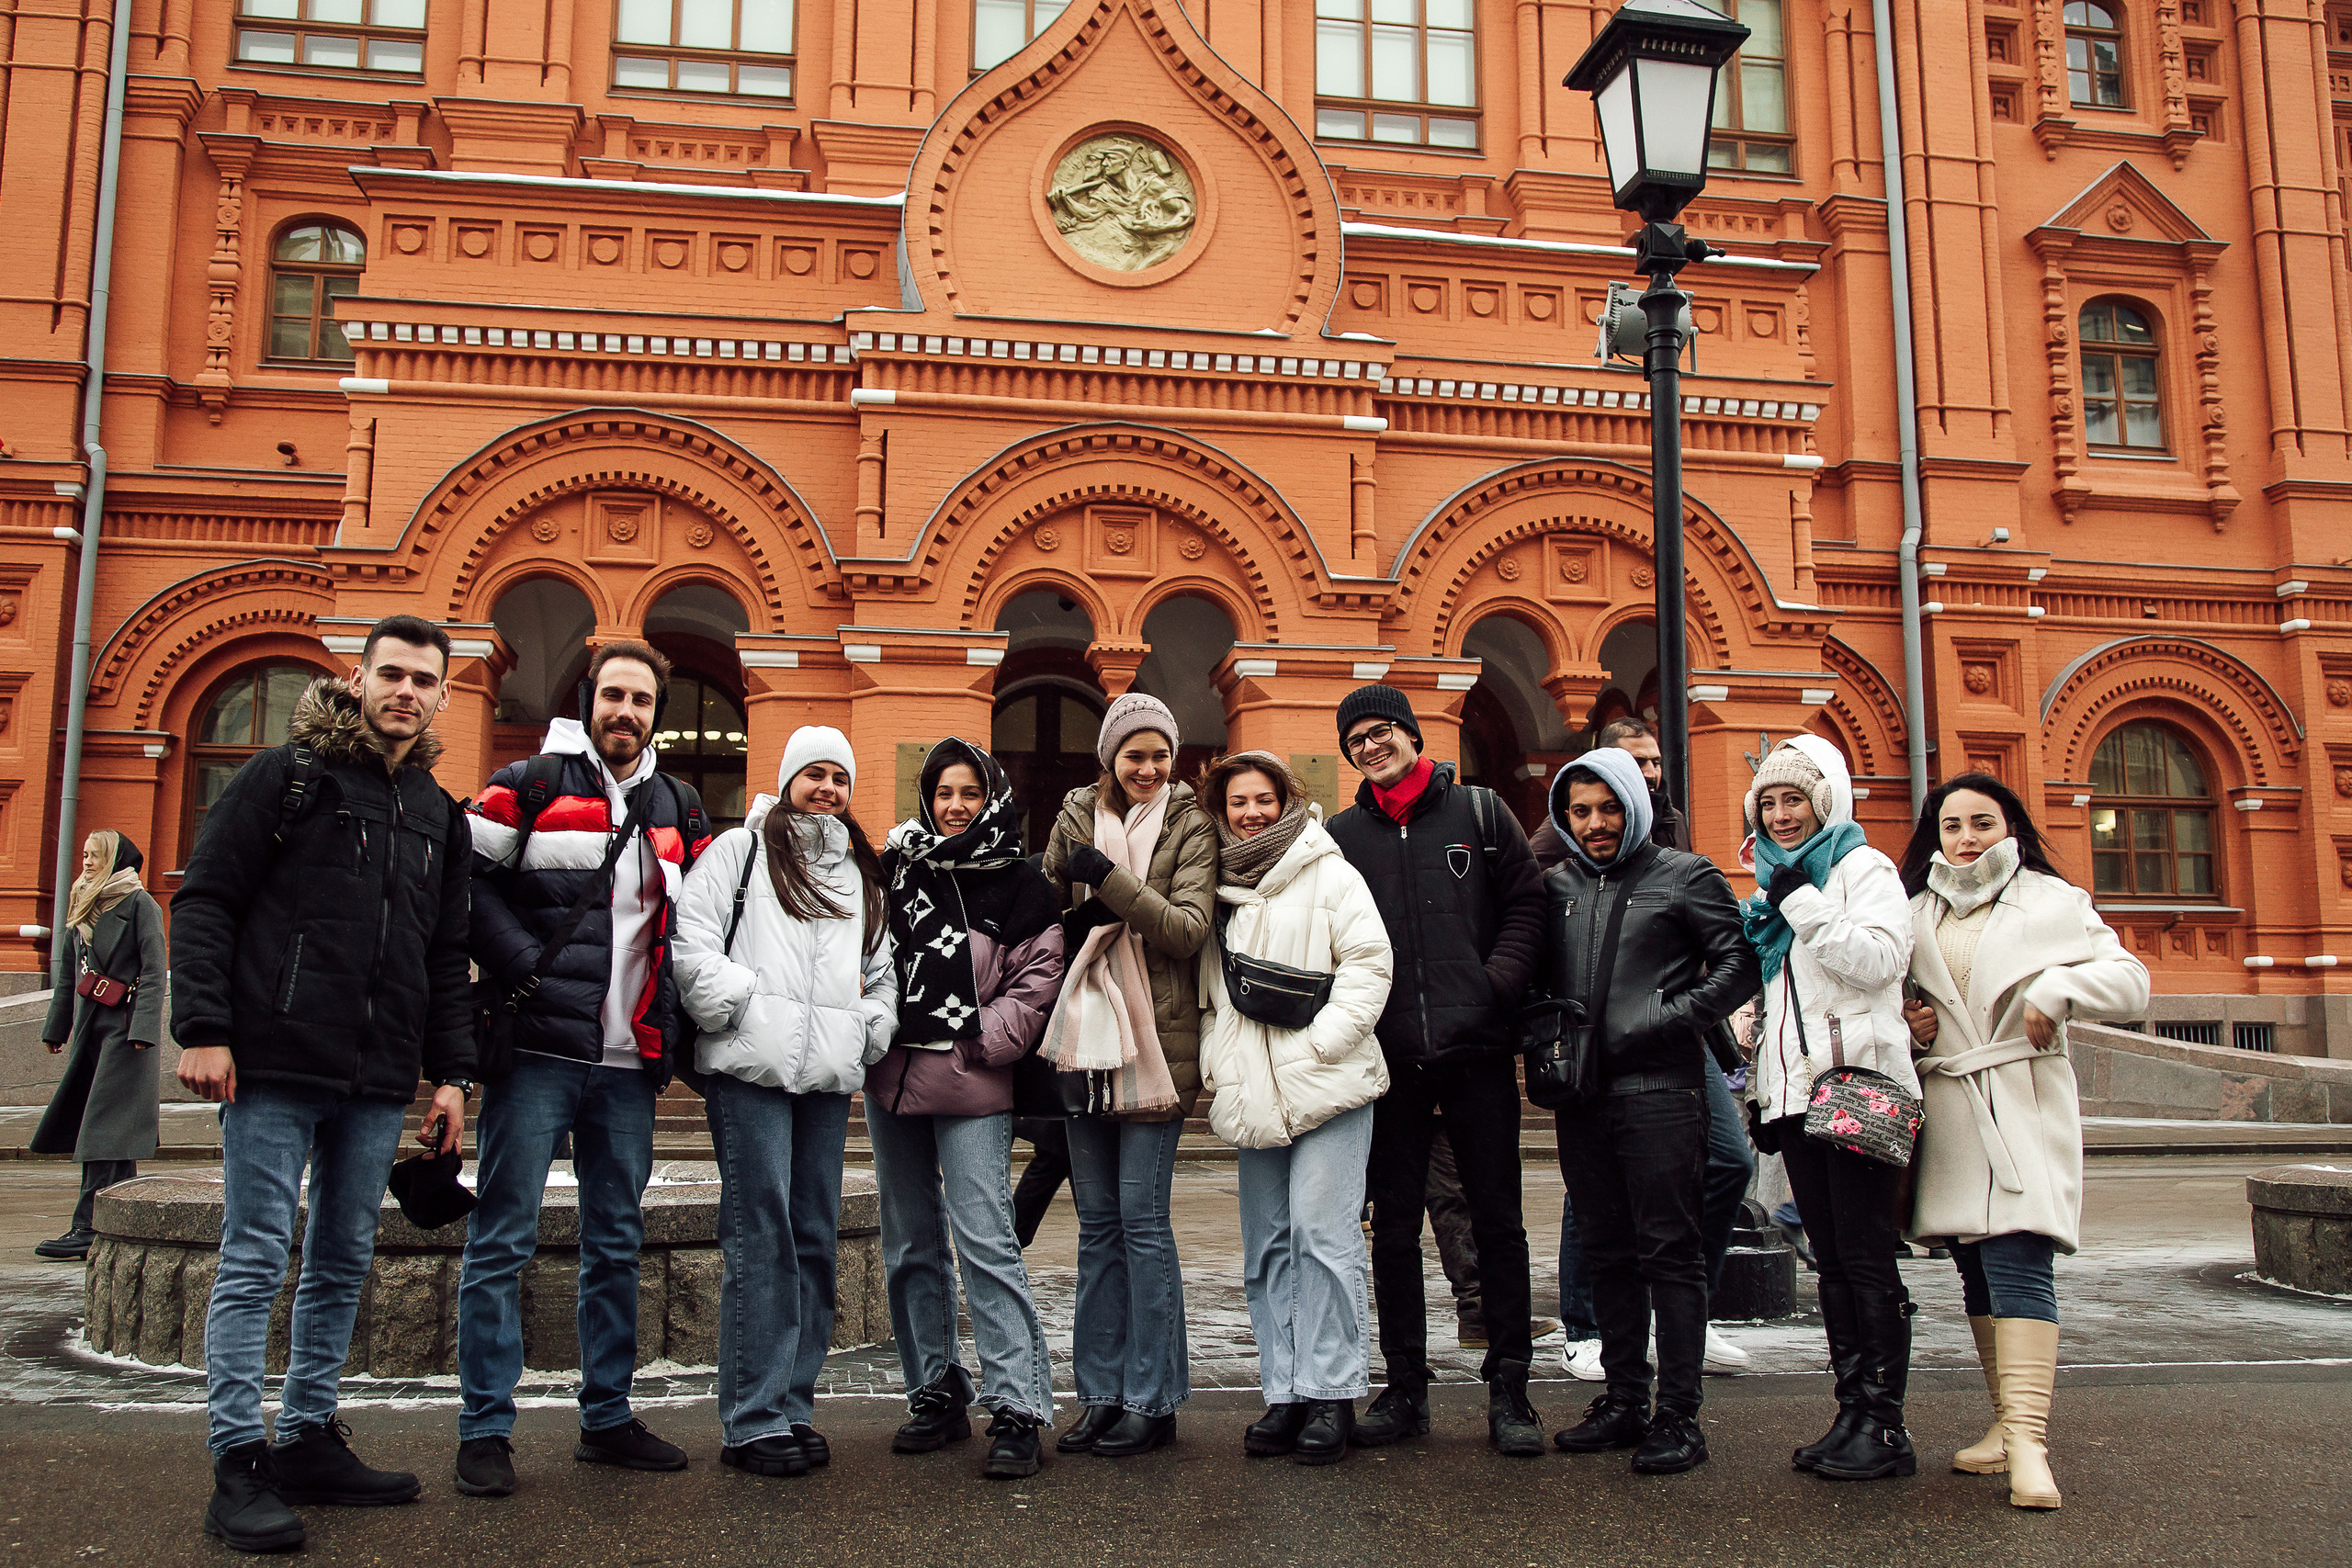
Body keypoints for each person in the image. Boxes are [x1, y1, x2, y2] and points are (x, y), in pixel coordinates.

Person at [170, 615, 473, 1553]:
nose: (406, 692)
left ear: (442, 694)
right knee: (259, 1255)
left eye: (424, 679)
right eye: (392, 674)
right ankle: (238, 1460)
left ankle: (305, 1435)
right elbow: (207, 898)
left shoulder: (435, 810)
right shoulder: (288, 776)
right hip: (272, 1063)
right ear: (360, 676)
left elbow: (444, 953)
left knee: (342, 1260)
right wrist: (207, 1029)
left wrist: (452, 1076)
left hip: (377, 1076)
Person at [455, 640, 712, 1496]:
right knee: (502, 1239)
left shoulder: (680, 805)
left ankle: (606, 1415)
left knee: (615, 1242)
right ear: (588, 698)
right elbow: (464, 883)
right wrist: (524, 959)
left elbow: (701, 924)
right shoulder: (528, 782)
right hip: (537, 1052)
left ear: (656, 713)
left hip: (629, 1061)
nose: (625, 712)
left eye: (641, 699)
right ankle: (485, 1428)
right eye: (613, 695)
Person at [1898, 773, 2147, 1512]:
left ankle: (2032, 1442)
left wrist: (2058, 990)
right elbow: (1897, 997)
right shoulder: (1913, 912)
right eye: (1952, 825)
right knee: (1976, 1270)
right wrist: (1911, 1030)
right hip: (1948, 1104)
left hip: (2019, 1099)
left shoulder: (2052, 901)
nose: (1967, 837)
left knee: (2019, 1261)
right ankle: (2006, 1425)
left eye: (1982, 821)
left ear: (2010, 828)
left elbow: (2131, 980)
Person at [1325, 683, 1548, 1457]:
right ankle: (1405, 1387)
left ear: (1413, 734)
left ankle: (1510, 1388)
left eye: (1382, 731)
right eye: (1357, 739)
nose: (1370, 746)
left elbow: (1527, 904)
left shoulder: (1480, 813)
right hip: (1389, 1062)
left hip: (1479, 1053)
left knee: (1499, 1223)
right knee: (1392, 1230)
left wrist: (1494, 986)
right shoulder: (1342, 835)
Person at [675, 728, 897, 1480]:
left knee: (812, 1237)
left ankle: (792, 1404)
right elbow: (691, 942)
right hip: (752, 1075)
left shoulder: (858, 874)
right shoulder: (737, 853)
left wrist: (869, 1031)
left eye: (840, 775)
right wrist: (743, 1009)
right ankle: (752, 1416)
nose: (828, 787)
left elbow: (881, 967)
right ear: (788, 776)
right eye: (815, 773)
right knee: (760, 1235)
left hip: (828, 1082)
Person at [1542, 749, 1758, 1476]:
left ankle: (1679, 1415)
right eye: (1581, 811)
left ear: (1634, 803)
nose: (1596, 823)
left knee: (1670, 1250)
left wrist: (1667, 1017)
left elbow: (1739, 964)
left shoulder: (1685, 875)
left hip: (1663, 1093)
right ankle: (1625, 1398)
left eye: (1608, 807)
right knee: (1607, 1249)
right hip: (1583, 1098)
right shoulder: (1557, 885)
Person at [869, 739, 1066, 1480]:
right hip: (892, 1073)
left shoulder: (1020, 881)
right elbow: (862, 956)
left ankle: (1017, 1403)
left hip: (972, 1078)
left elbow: (1038, 976)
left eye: (969, 792)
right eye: (944, 791)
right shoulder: (894, 871)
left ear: (992, 798)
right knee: (910, 1242)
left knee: (986, 1237)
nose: (956, 804)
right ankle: (934, 1388)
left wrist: (984, 1037)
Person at [1194, 752, 1393, 1464]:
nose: (1250, 812)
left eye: (1263, 799)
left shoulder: (1330, 871)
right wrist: (1221, 1064)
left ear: (1287, 802)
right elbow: (1214, 994)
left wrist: (1324, 1045)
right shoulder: (1217, 888)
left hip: (1329, 1085)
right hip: (1253, 1091)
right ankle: (1285, 1388)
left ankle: (1332, 1392)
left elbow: (1370, 963)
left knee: (1324, 1238)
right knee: (1268, 1246)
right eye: (1237, 801)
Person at [1037, 693, 1216, 1459]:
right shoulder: (1077, 810)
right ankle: (1101, 1394)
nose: (1148, 768)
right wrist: (1068, 881)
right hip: (1082, 1040)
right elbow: (1047, 901)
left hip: (1157, 1046)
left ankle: (1154, 1398)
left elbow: (1185, 929)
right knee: (1096, 1229)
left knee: (1142, 1227)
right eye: (1134, 754)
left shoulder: (1192, 824)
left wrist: (1107, 879)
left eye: (1160, 754)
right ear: (1110, 756)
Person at [1736, 737, 1917, 1482]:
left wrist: (1802, 902)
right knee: (1834, 1259)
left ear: (1826, 800)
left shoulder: (1858, 868)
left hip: (1857, 1091)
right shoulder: (1771, 885)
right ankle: (1852, 1410)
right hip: (1797, 1096)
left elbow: (1879, 961)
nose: (1781, 814)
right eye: (1768, 802)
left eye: (1794, 799)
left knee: (1869, 1258)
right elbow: (1788, 1000)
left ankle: (1884, 1425)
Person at [34, 830, 166, 1260]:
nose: (87, 862)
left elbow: (154, 970)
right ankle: (117, 1220)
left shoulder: (139, 903)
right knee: (114, 1130)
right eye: (86, 855)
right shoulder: (84, 902)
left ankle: (86, 1224)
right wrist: (57, 1028)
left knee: (106, 1128)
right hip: (92, 1026)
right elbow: (70, 976)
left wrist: (144, 1029)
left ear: (116, 859)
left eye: (96, 856)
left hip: (125, 1031)